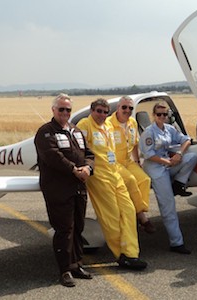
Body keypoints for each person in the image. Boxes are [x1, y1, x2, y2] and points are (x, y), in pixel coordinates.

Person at [77, 98, 147, 270]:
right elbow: (79, 150)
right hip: (99, 176)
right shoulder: (85, 125)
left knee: (129, 211)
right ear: (92, 111)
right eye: (98, 111)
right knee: (112, 216)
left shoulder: (108, 126)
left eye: (104, 112)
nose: (101, 115)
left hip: (114, 172)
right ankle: (121, 254)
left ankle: (132, 253)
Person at [34, 94, 95, 287]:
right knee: (64, 230)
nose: (65, 113)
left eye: (68, 110)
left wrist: (87, 168)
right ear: (53, 110)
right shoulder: (45, 132)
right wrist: (73, 169)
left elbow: (89, 153)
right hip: (58, 189)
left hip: (78, 188)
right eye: (61, 109)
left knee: (78, 227)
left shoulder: (76, 131)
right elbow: (52, 155)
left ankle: (77, 264)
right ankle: (65, 270)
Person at [139, 101, 197, 254]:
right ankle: (176, 243)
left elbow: (186, 139)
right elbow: (149, 154)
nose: (162, 117)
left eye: (165, 114)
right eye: (159, 114)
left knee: (192, 156)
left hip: (168, 164)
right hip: (155, 168)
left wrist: (179, 154)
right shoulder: (149, 132)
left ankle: (178, 184)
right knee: (168, 206)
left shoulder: (169, 129)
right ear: (154, 115)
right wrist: (167, 161)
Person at [108, 96, 155, 234]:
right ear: (118, 108)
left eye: (130, 108)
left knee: (145, 179)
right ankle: (142, 217)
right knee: (131, 180)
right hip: (114, 162)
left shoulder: (132, 123)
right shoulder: (108, 124)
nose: (127, 110)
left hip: (128, 160)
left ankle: (137, 211)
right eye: (124, 107)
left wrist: (137, 161)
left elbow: (134, 143)